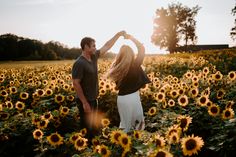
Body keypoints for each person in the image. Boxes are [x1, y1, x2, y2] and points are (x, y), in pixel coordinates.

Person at [72, 31, 126, 140]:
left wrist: (118, 35)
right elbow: (76, 83)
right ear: (86, 47)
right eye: (93, 46)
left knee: (93, 126)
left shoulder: (93, 57)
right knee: (86, 128)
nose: (95, 48)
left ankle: (93, 147)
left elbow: (107, 45)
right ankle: (85, 149)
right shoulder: (79, 63)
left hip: (93, 98)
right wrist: (84, 102)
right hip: (85, 100)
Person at [107, 33, 151, 133]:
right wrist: (131, 38)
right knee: (138, 125)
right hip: (132, 97)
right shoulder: (135, 65)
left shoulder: (117, 68)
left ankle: (122, 145)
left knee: (125, 125)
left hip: (121, 99)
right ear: (131, 54)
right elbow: (141, 48)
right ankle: (136, 146)